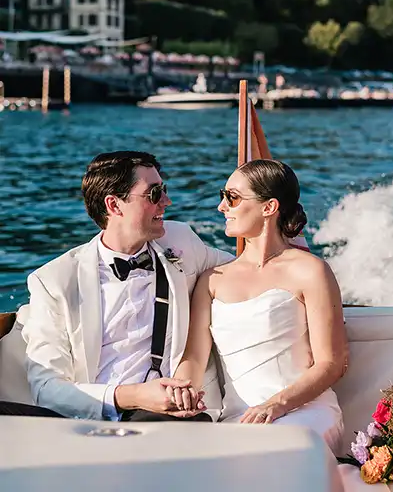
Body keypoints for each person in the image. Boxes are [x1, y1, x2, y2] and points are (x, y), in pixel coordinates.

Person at [0, 150, 232, 421]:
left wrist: (289, 240)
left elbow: (246, 268)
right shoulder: (55, 281)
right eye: (154, 193)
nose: (167, 202)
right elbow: (47, 388)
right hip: (93, 420)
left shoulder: (181, 242)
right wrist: (133, 395)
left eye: (164, 190)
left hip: (177, 415)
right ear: (114, 205)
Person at [173, 159, 348, 454]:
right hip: (238, 419)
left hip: (304, 414)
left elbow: (332, 363)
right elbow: (193, 357)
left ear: (268, 207)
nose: (221, 207)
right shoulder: (211, 281)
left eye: (232, 197)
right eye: (222, 196)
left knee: (271, 456)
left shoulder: (311, 271)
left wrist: (275, 406)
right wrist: (180, 390)